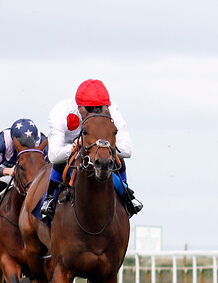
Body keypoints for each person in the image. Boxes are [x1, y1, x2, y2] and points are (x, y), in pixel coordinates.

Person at [40, 79, 142, 219]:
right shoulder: (61, 111)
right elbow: (53, 156)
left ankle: (126, 196)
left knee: (117, 159)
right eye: (89, 108)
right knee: (61, 162)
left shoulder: (112, 111)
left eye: (100, 107)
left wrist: (106, 146)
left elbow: (127, 150)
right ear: (79, 106)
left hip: (98, 150)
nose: (95, 111)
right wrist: (76, 146)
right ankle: (50, 198)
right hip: (70, 150)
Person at [0, 119, 49, 235]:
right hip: (9, 168)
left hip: (33, 174)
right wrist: (7, 171)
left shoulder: (41, 140)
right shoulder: (2, 140)